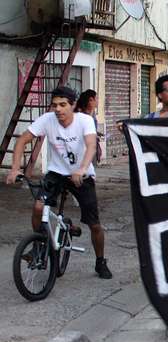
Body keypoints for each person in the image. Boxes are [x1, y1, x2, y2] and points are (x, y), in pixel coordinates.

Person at [5, 85, 112, 280]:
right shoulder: (47, 120)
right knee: (38, 207)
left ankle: (100, 261)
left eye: (63, 105)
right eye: (54, 105)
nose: (58, 109)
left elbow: (90, 146)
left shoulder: (85, 120)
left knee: (94, 224)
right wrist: (14, 168)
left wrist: (81, 168)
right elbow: (21, 141)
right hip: (56, 173)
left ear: (72, 106)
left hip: (82, 175)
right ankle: (39, 244)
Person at [75, 89, 102, 163]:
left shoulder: (92, 113)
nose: (98, 101)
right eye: (96, 98)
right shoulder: (81, 115)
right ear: (90, 100)